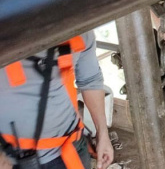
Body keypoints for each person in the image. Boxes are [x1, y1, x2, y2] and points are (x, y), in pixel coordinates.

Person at [1, 32, 114, 169]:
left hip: (69, 153)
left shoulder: (80, 25)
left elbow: (90, 80)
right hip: (10, 158)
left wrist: (102, 133)